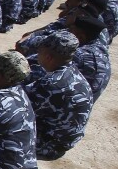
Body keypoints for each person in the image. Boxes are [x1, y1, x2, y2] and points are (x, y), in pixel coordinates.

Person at [23, 31, 93, 160]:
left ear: (48, 57)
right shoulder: (73, 72)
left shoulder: (52, 85)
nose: (37, 54)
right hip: (62, 139)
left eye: (39, 51)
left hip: (48, 145)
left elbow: (18, 108)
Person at [68, 14, 111, 103]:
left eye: (70, 31)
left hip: (72, 104)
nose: (67, 34)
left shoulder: (79, 54)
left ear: (81, 37)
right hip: (86, 102)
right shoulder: (100, 48)